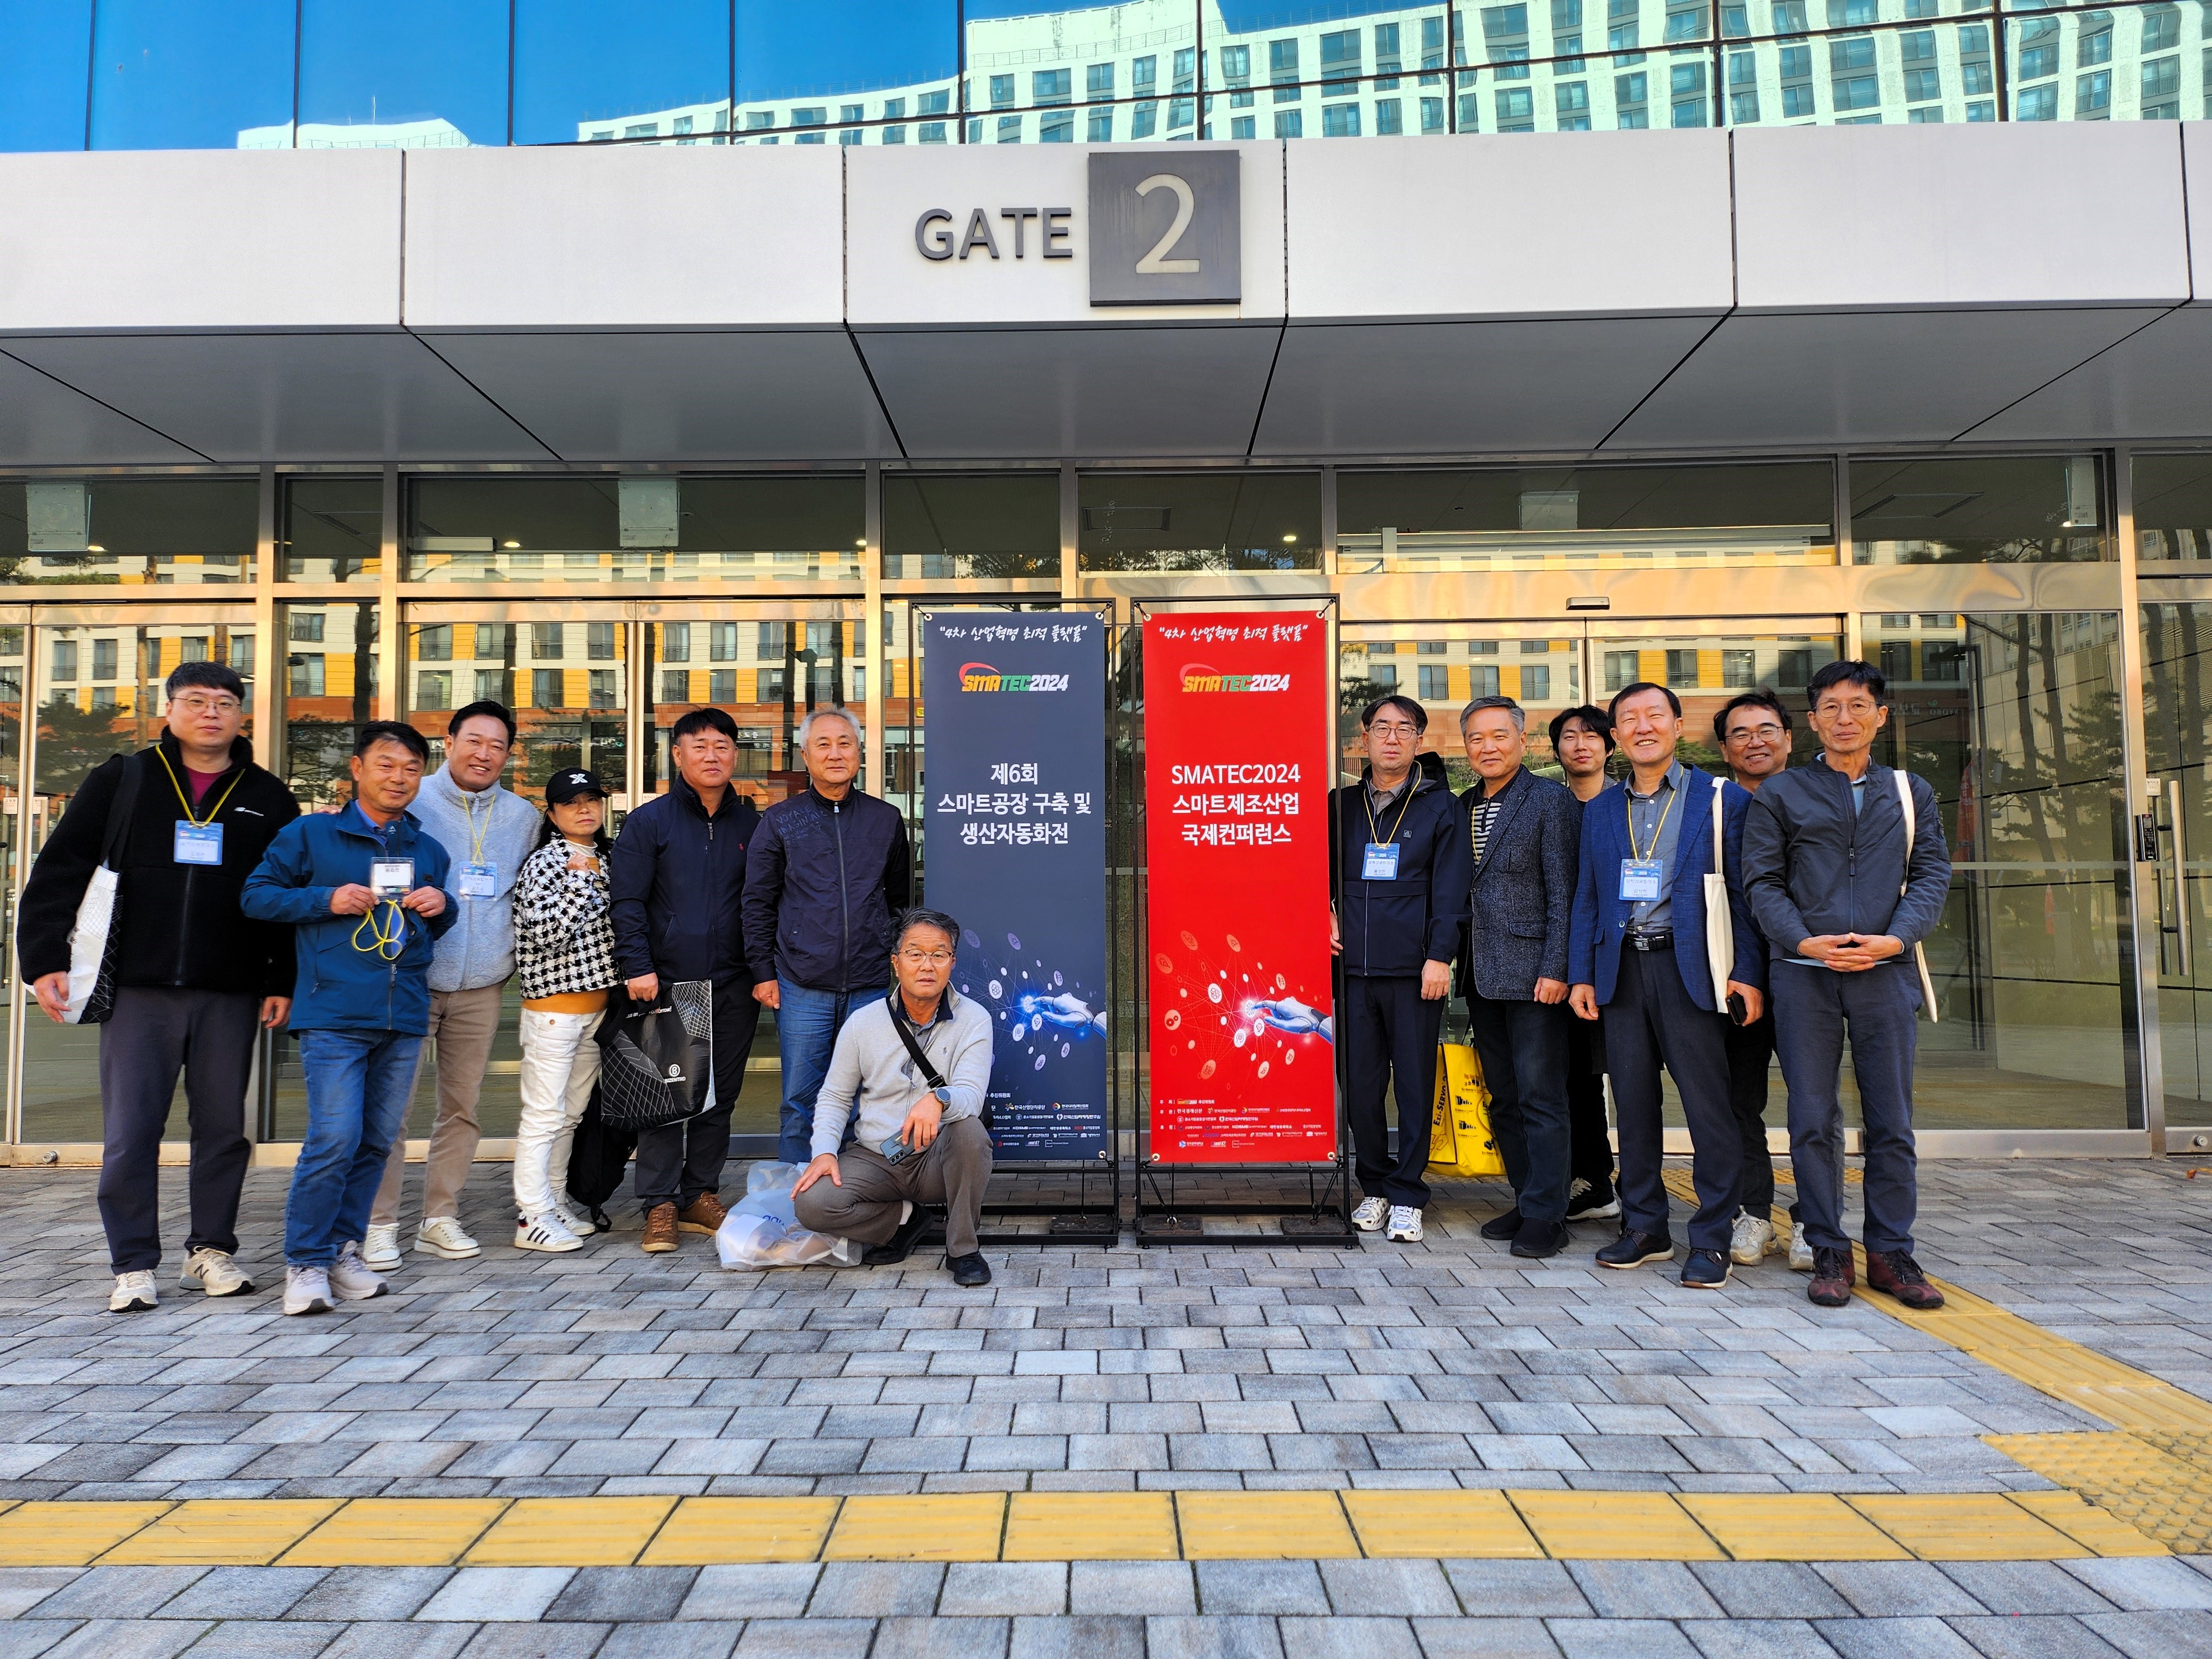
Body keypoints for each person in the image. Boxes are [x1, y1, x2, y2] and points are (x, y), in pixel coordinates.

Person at [18, 661, 300, 1312]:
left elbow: (283, 895)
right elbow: (60, 868)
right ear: (168, 709)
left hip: (229, 991)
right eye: (196, 701)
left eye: (225, 703)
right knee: (132, 1129)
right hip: (140, 989)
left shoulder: (267, 794)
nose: (211, 713)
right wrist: (43, 959)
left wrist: (278, 977)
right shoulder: (126, 779)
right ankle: (134, 1263)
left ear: (241, 716)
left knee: (224, 1128)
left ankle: (211, 1250)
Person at [1743, 661, 1951, 1312]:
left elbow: (1931, 874)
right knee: (1811, 1119)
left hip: (1884, 975)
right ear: (1812, 721)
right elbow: (1761, 883)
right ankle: (1829, 1249)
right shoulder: (1781, 793)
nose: (1844, 718)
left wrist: (1897, 939)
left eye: (1857, 706)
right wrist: (1803, 941)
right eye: (1830, 707)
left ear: (1880, 716)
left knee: (1891, 1120)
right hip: (1803, 977)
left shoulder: (1910, 791)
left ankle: (1890, 1251)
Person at [243, 722, 455, 1316]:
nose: (399, 777)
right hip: (333, 1012)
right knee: (333, 1139)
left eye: (411, 768)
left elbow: (435, 922)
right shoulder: (311, 834)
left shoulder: (426, 848)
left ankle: (343, 1250)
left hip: (403, 1014)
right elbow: (256, 896)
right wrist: (325, 899)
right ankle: (305, 1264)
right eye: (386, 765)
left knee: (375, 1141)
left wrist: (443, 907)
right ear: (356, 770)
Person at [1568, 682, 1766, 1289]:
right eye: (1628, 719)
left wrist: (1747, 972)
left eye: (1655, 715)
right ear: (1615, 736)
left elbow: (1745, 893)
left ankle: (1710, 1238)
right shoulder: (1602, 807)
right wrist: (1580, 972)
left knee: (1709, 1108)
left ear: (1678, 726)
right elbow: (1589, 896)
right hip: (1621, 971)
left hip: (1693, 972)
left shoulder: (1720, 799)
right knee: (1631, 1103)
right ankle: (1646, 1225)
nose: (1642, 726)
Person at [366, 701, 538, 1271]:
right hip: (408, 979)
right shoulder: (409, 800)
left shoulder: (521, 816)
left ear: (508, 755)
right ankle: (379, 1222)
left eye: (497, 746)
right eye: (475, 741)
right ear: (450, 741)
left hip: (482, 986)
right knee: (391, 1108)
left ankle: (439, 1217)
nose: (484, 753)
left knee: (461, 1109)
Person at [609, 707, 762, 1254]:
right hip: (667, 982)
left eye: (722, 745)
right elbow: (626, 901)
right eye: (699, 746)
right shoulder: (649, 822)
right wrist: (637, 967)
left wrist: (761, 972)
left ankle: (700, 1193)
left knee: (718, 1099)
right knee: (663, 1099)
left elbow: (763, 905)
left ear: (734, 754)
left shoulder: (753, 825)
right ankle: (658, 1204)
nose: (711, 755)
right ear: (677, 754)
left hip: (734, 984)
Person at [743, 707, 913, 1167]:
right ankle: (798, 1211)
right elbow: (757, 902)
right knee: (801, 1099)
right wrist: (764, 973)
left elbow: (900, 902)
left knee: (868, 1096)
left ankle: (858, 1202)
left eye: (845, 743)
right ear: (805, 755)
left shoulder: (885, 819)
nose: (835, 753)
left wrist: (896, 967)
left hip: (871, 984)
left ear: (859, 752)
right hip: (801, 984)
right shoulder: (780, 821)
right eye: (824, 744)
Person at [792, 908, 995, 1286]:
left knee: (970, 1132)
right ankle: (904, 1220)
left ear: (952, 963)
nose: (927, 965)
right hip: (878, 1157)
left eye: (939, 954)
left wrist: (938, 1100)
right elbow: (836, 1096)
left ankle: (963, 1249)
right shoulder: (864, 1022)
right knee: (811, 1205)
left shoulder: (974, 1019)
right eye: (915, 953)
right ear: (896, 962)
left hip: (937, 1157)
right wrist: (823, 1151)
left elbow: (972, 1093)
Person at [1329, 695, 1469, 1243]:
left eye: (1403, 730)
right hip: (1352, 970)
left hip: (1415, 972)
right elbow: (1310, 870)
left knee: (1414, 1084)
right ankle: (1377, 1187)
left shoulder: (1441, 806)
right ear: (1362, 739)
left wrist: (1440, 956)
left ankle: (1408, 1193)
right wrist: (1322, 911)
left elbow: (1452, 889)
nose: (1391, 738)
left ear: (1417, 741)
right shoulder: (1339, 805)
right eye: (1381, 728)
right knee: (1360, 1087)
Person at [1456, 696, 1582, 1260]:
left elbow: (1565, 892)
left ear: (1523, 741)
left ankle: (1548, 1214)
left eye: (1499, 736)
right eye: (1477, 739)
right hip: (1482, 976)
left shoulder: (1550, 801)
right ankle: (1527, 1195)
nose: (1488, 747)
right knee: (1503, 1096)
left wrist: (1557, 968)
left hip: (1535, 978)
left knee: (1540, 1096)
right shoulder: (1461, 806)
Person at [510, 768, 618, 1254]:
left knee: (571, 1114)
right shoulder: (547, 861)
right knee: (544, 1115)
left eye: (592, 800)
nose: (584, 809)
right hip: (553, 1010)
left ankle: (554, 1202)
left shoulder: (605, 857)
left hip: (595, 1009)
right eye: (572, 803)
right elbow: (545, 932)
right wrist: (581, 884)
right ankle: (530, 1215)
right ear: (552, 814)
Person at [1713, 688, 1803, 1270]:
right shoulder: (1713, 807)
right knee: (1738, 1100)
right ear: (1724, 748)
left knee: (1813, 1106)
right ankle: (1752, 1213)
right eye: (1741, 733)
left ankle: (1815, 1223)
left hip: (1807, 973)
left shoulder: (1816, 799)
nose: (1755, 741)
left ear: (1789, 738)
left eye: (1766, 729)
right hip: (1737, 977)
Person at [1547, 705, 1621, 1225]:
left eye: (1592, 737)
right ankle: (1597, 1182)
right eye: (1570, 738)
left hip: (1623, 958)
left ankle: (1638, 1188)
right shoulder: (1550, 804)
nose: (1581, 746)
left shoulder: (1627, 804)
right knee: (1578, 1077)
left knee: (1635, 1080)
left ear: (1609, 746)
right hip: (1567, 964)